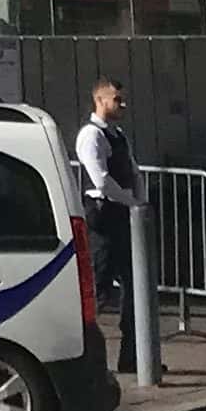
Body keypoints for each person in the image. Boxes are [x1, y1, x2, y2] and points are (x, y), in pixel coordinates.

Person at [73, 78, 143, 327]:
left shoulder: (119, 135)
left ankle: (133, 355)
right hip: (103, 216)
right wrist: (133, 202)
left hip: (124, 214)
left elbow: (133, 171)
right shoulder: (91, 135)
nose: (123, 104)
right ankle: (86, 354)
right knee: (98, 286)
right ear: (100, 100)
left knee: (136, 284)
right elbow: (102, 181)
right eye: (116, 99)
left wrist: (140, 204)